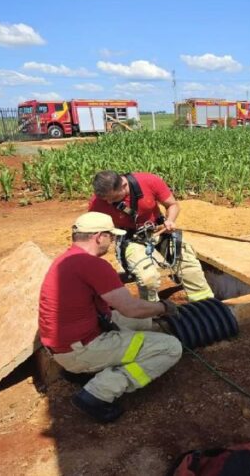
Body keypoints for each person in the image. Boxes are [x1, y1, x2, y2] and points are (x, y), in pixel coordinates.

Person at [38, 212, 182, 423]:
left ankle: (81, 372)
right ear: (98, 237)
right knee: (171, 348)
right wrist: (163, 307)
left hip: (64, 347)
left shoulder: (67, 259)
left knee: (143, 322)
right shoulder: (94, 265)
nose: (113, 242)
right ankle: (97, 393)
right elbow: (130, 308)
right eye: (111, 237)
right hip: (81, 351)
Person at [89, 170, 215, 302]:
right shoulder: (97, 203)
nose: (109, 202)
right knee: (147, 278)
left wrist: (170, 220)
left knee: (188, 264)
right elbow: (94, 230)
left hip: (159, 229)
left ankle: (206, 303)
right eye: (106, 199)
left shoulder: (149, 181)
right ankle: (152, 312)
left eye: (113, 198)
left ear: (123, 185)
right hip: (131, 238)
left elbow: (172, 205)